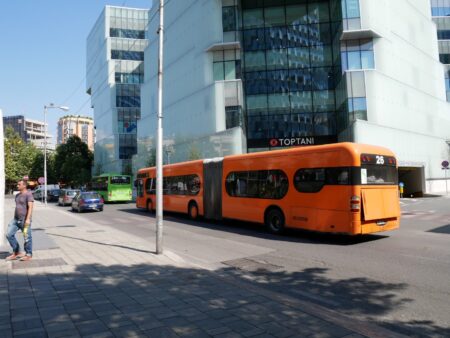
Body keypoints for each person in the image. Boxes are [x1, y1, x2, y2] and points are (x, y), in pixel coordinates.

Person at [5, 180, 34, 261]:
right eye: (17, 184)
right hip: (15, 220)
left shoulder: (29, 194)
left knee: (27, 237)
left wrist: (28, 219)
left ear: (24, 186)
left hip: (24, 220)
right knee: (9, 234)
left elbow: (30, 207)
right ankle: (17, 252)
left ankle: (28, 254)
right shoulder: (17, 195)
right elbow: (18, 207)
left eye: (19, 184)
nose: (17, 186)